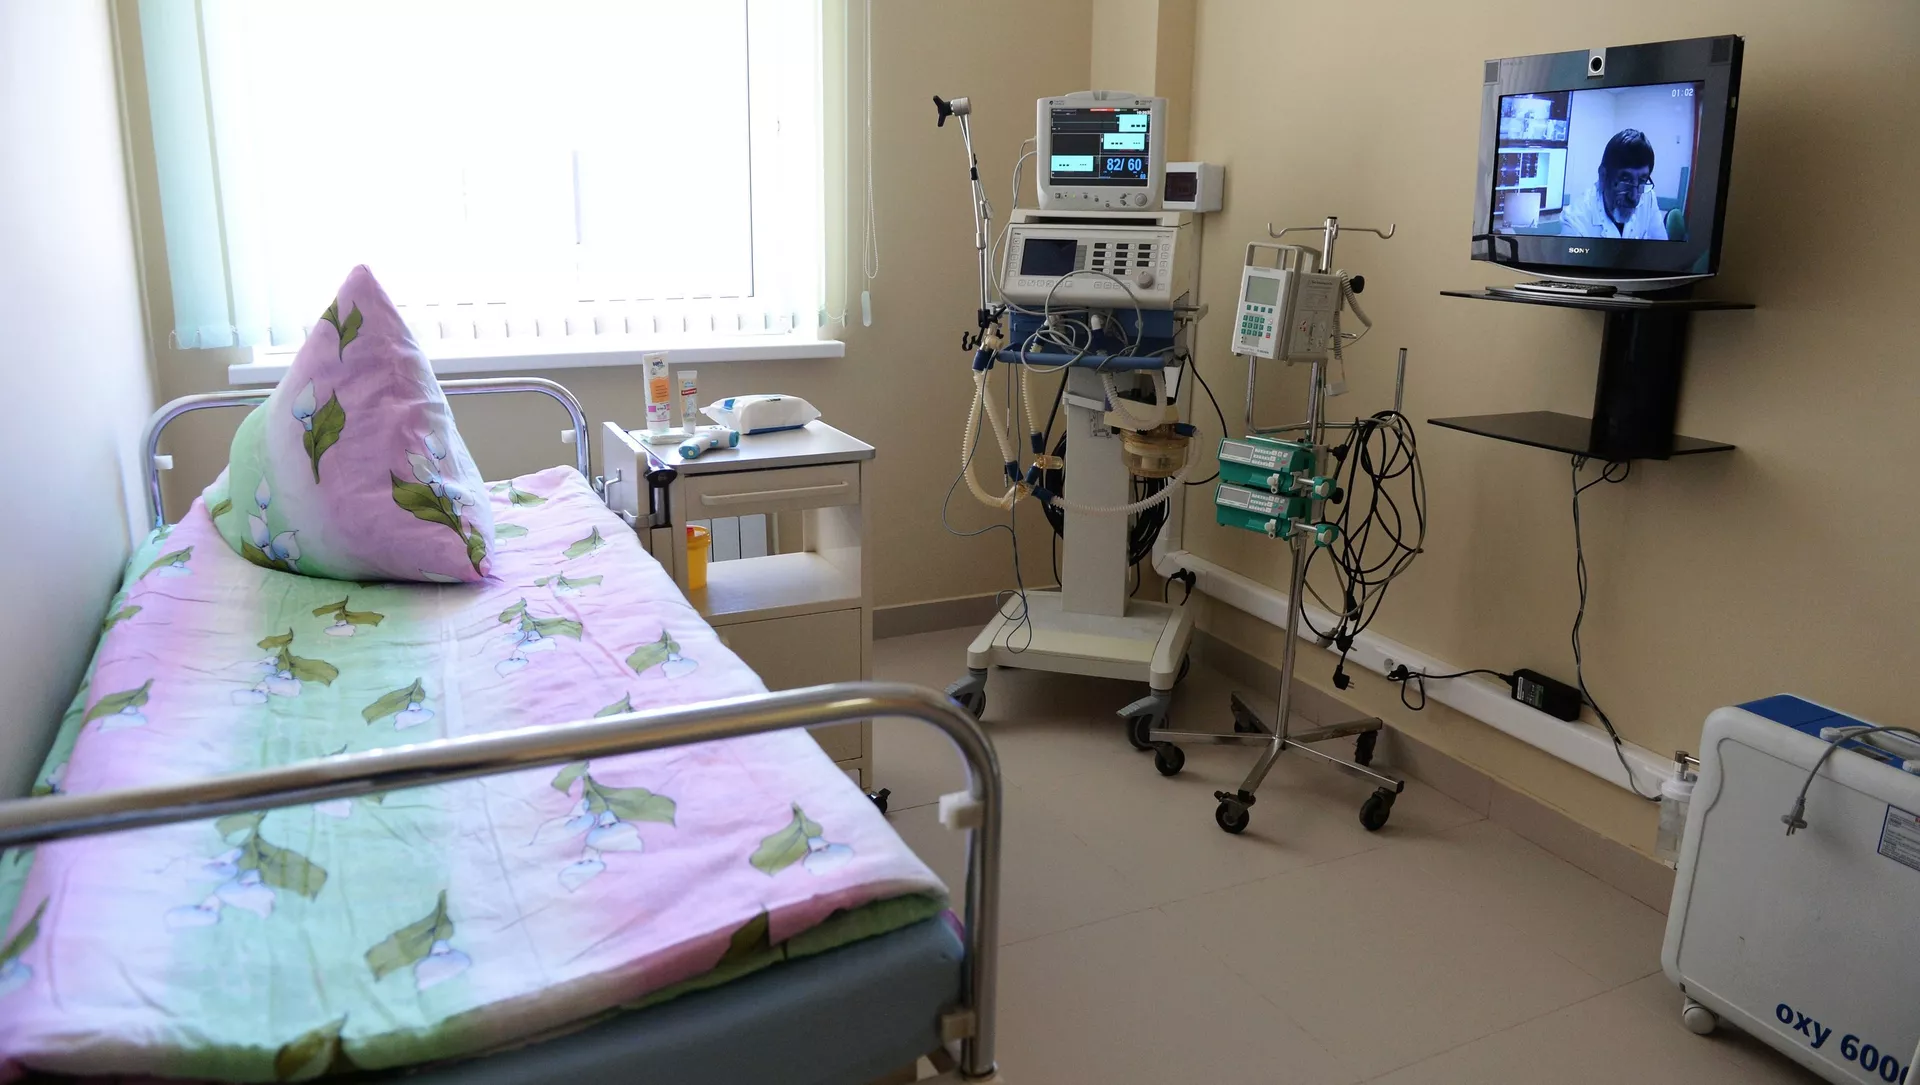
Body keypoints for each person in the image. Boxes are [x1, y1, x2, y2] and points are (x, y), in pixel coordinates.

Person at [1561, 129, 1669, 240]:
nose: (1633, 196)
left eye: (1642, 180)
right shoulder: (1575, 221)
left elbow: (1661, 246)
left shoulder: (1648, 197)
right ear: (1603, 176)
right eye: (1625, 181)